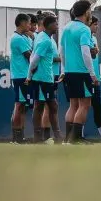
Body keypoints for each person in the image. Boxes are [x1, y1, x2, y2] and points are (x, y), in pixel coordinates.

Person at [61, 0, 98, 143]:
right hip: (81, 73)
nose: (91, 13)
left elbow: (62, 51)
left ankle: (67, 139)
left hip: (69, 72)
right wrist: (92, 74)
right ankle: (74, 139)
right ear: (86, 11)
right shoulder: (84, 29)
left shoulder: (66, 27)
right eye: (90, 10)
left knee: (73, 105)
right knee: (85, 105)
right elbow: (85, 53)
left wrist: (64, 70)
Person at [25, 13, 62, 142]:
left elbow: (33, 56)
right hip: (43, 79)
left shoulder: (41, 36)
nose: (57, 26)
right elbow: (34, 59)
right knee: (49, 106)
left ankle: (40, 138)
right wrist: (29, 76)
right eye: (55, 24)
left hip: (44, 78)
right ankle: (55, 138)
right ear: (49, 25)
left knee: (43, 106)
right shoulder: (45, 40)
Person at [9, 13, 33, 143]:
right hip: (20, 76)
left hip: (24, 76)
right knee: (19, 106)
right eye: (29, 23)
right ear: (23, 23)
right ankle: (17, 138)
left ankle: (20, 137)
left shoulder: (22, 37)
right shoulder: (17, 38)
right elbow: (30, 56)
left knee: (22, 106)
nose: (30, 26)